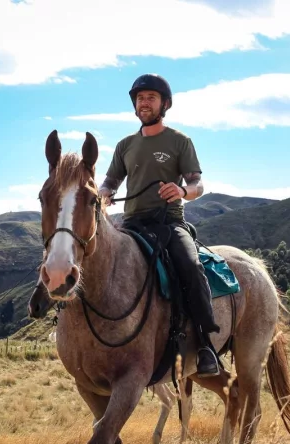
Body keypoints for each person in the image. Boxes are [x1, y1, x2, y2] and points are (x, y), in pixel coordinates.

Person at [98, 73, 221, 378]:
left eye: (151, 98)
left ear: (165, 104)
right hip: (132, 224)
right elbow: (110, 181)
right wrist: (104, 194)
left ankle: (205, 343)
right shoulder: (125, 145)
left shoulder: (180, 141)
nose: (144, 103)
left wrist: (182, 191)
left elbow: (197, 184)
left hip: (169, 223)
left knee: (191, 266)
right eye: (140, 98)